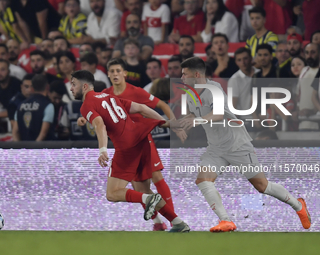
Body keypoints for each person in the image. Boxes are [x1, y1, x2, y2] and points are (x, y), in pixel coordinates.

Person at [168, 56, 311, 232]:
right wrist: (183, 125)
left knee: (262, 186)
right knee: (203, 180)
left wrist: (196, 121)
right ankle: (226, 221)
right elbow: (193, 114)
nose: (181, 78)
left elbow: (218, 114)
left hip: (237, 144)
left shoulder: (214, 89)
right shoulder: (190, 93)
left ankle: (299, 205)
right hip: (216, 148)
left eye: (184, 74)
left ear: (196, 74)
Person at [71, 69, 190, 232]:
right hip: (142, 140)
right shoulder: (110, 97)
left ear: (84, 86)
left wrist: (102, 149)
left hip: (127, 147)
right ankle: (178, 223)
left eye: (73, 84)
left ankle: (149, 199)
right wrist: (167, 122)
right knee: (142, 189)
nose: (71, 88)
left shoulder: (87, 104)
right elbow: (141, 108)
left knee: (112, 194)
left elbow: (99, 124)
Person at [102, 58, 186, 231]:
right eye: (112, 71)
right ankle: (158, 223)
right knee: (138, 186)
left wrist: (174, 124)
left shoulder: (136, 92)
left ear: (125, 73)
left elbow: (161, 104)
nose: (115, 74)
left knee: (156, 177)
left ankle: (173, 220)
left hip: (143, 141)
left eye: (118, 71)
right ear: (108, 74)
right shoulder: (105, 95)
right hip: (126, 147)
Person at [13, 74, 55, 141]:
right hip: (42, 149)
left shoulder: (20, 105)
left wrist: (20, 149)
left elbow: (15, 132)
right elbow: (43, 134)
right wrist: (34, 149)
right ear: (47, 87)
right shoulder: (48, 105)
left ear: (32, 88)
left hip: (24, 148)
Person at [0, 59, 21, 133]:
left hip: (18, 116)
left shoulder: (16, 84)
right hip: (6, 115)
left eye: (2, 70)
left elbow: (18, 109)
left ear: (8, 71)